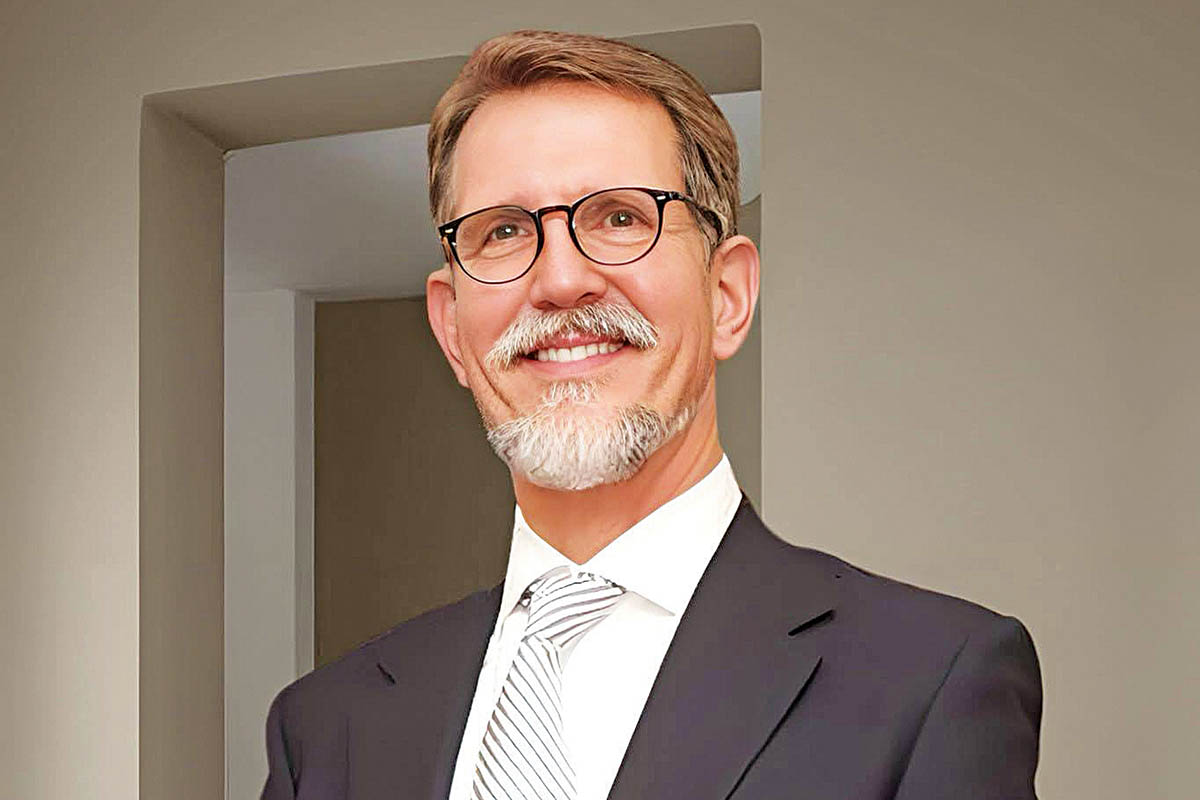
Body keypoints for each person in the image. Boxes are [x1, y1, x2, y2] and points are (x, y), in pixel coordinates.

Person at [261, 30, 1042, 800]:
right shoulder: (327, 729)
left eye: (620, 218)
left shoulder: (929, 682)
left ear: (727, 295)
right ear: (452, 330)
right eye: (503, 230)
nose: (560, 280)